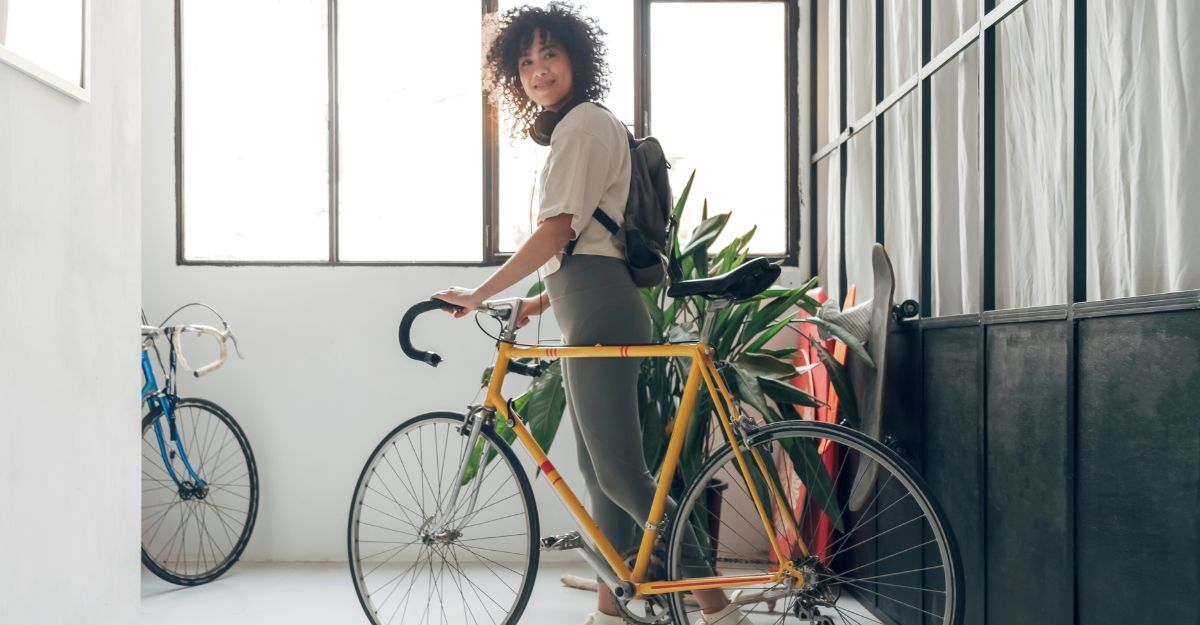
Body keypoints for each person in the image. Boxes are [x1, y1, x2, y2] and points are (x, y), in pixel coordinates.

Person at [434, 4, 749, 624]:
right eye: (524, 61)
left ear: (576, 58)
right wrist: (536, 301)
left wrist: (478, 293)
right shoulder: (584, 126)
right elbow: (588, 244)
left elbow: (556, 235)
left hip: (601, 312)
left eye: (548, 54)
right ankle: (612, 611)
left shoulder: (581, 125)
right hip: (595, 304)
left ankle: (717, 609)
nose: (537, 69)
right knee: (604, 473)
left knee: (620, 476)